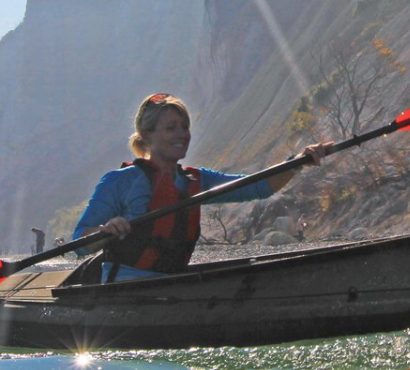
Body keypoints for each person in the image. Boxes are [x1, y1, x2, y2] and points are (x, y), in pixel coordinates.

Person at [73, 93, 333, 282]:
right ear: (148, 135)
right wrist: (105, 231)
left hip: (172, 285)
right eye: (171, 128)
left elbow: (259, 187)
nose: (182, 134)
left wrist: (297, 162)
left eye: (185, 127)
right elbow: (80, 242)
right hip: (124, 289)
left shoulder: (196, 180)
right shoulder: (119, 181)